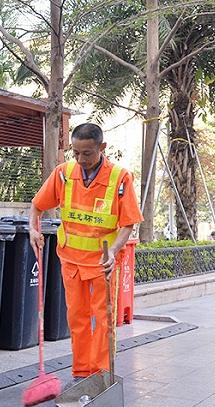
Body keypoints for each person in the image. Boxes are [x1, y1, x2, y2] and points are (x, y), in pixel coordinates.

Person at [28, 123, 144, 390]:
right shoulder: (64, 174)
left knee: (103, 321)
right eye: (76, 152)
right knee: (77, 319)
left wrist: (113, 251)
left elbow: (128, 223)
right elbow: (36, 206)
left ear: (101, 148)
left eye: (87, 153)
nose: (81, 160)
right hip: (71, 261)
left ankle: (102, 375)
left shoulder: (120, 178)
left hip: (103, 264)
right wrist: (33, 230)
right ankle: (81, 373)